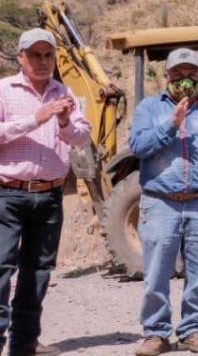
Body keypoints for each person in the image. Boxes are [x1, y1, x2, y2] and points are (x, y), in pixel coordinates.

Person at [129, 48, 198, 356]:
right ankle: (156, 333)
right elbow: (137, 146)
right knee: (156, 273)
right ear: (166, 76)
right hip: (160, 202)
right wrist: (170, 123)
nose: (185, 79)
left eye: (191, 73)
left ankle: (192, 330)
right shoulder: (149, 108)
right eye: (177, 74)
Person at [0, 29, 91, 356]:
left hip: (50, 197)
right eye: (34, 55)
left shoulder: (64, 92)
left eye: (47, 55)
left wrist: (65, 122)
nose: (41, 61)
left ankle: (23, 346)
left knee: (37, 274)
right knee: (0, 269)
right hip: (7, 195)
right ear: (20, 57)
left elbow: (82, 137)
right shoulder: (4, 91)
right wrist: (35, 119)